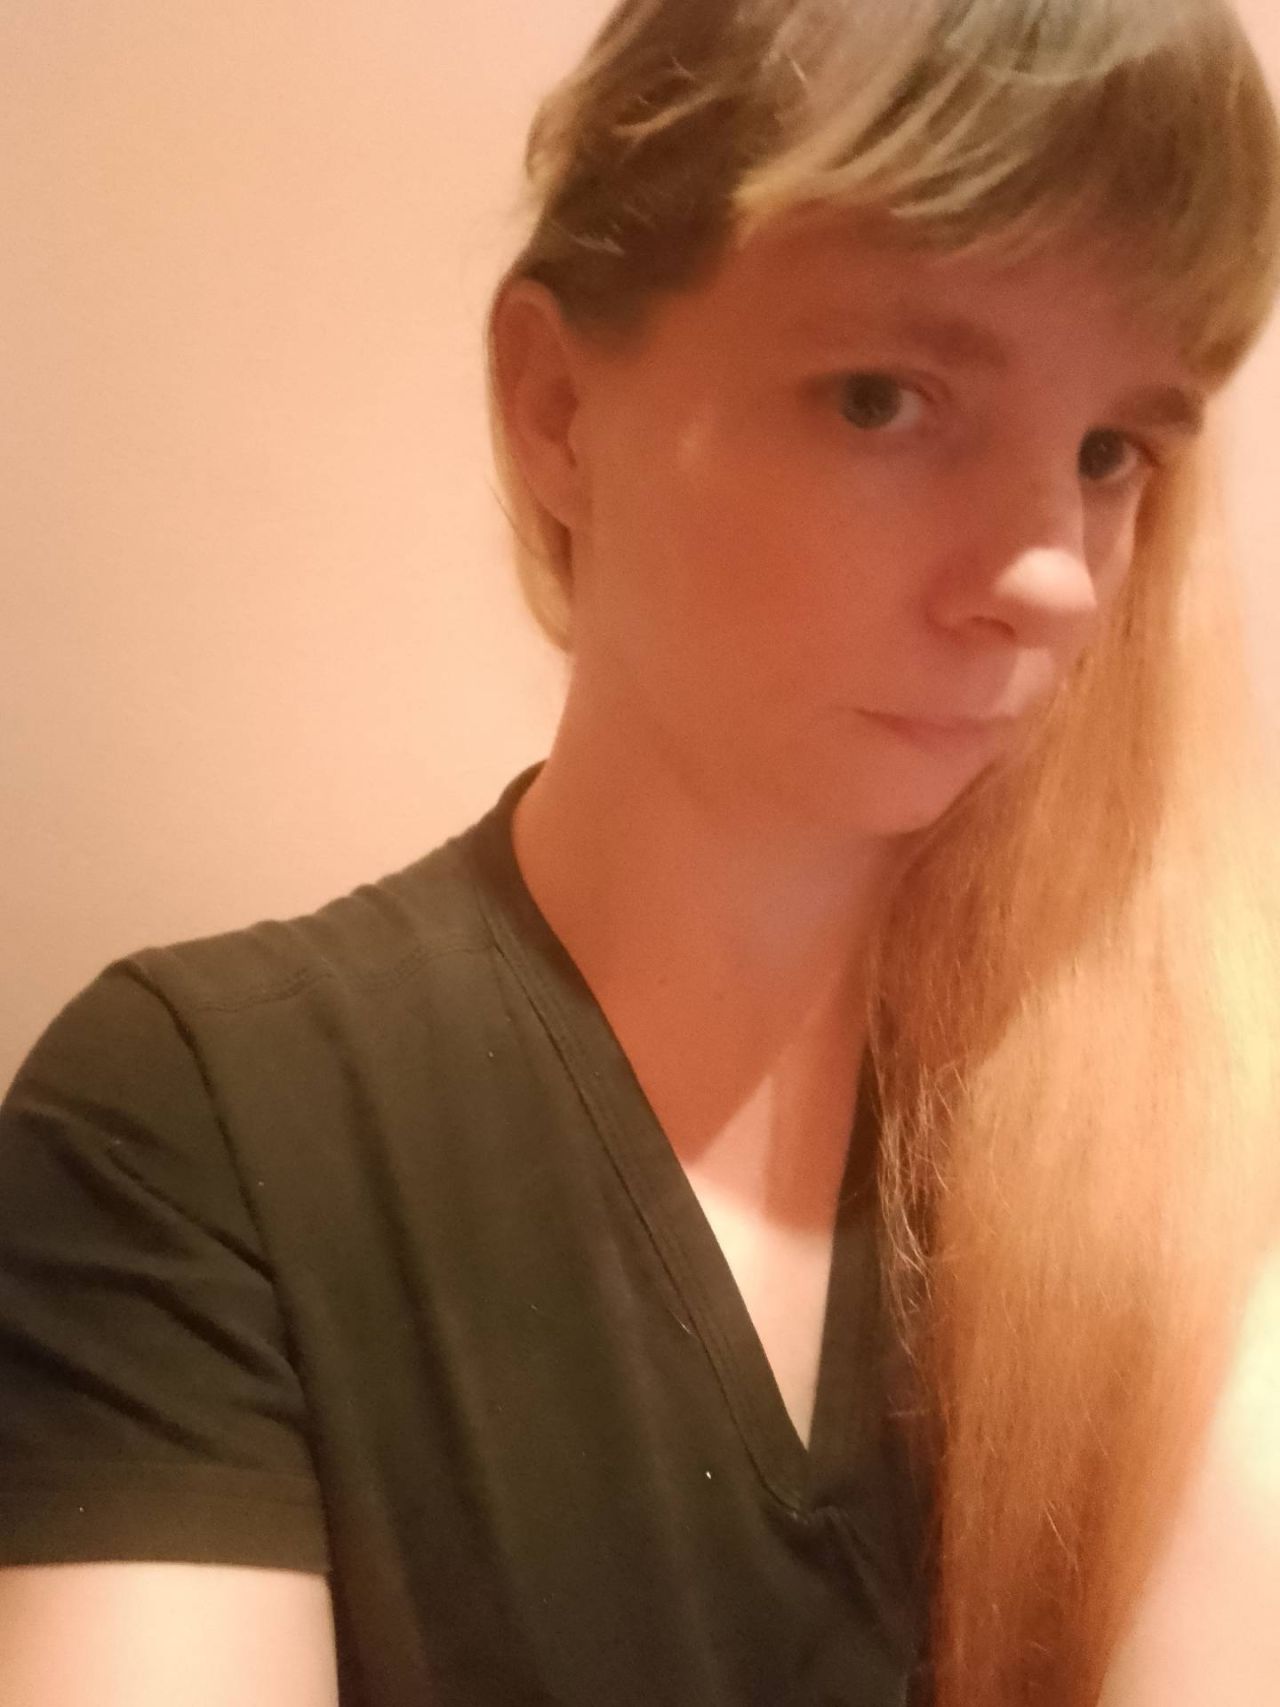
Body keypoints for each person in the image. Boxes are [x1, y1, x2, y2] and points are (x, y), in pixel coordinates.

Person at [3, 0, 1280, 1702]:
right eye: (885, 399)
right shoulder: (202, 1137)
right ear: (554, 406)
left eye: (1112, 451)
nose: (1048, 576)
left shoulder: (1186, 1148)